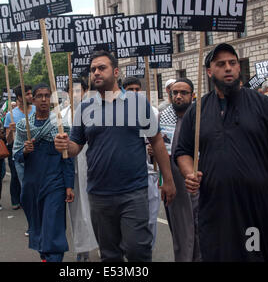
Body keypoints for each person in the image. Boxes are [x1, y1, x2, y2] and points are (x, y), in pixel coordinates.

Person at [175, 43, 268, 262]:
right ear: (209, 71)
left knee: (254, 256)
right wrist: (189, 173)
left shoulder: (264, 105)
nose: (228, 68)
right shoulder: (198, 110)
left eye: (232, 63)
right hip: (215, 212)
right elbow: (183, 150)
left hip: (256, 212)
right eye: (221, 64)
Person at [54, 50, 176, 262]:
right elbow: (76, 146)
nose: (96, 73)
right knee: (109, 256)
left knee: (138, 250)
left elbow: (156, 141)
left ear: (116, 72)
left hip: (134, 192)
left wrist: (168, 180)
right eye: (93, 70)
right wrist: (64, 145)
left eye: (102, 68)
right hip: (99, 194)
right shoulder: (84, 108)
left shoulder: (137, 103)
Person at [13, 83, 74, 262]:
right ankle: (45, 257)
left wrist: (69, 184)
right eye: (40, 96)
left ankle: (54, 258)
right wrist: (26, 150)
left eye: (48, 96)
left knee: (53, 227)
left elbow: (67, 157)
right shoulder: (24, 126)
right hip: (32, 184)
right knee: (38, 227)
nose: (44, 99)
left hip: (54, 184)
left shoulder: (60, 125)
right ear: (33, 99)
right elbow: (16, 155)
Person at [160, 78, 201, 262]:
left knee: (200, 228)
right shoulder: (162, 117)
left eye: (183, 93)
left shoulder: (201, 117)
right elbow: (156, 153)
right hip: (174, 183)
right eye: (174, 93)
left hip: (198, 181)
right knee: (181, 231)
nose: (178, 96)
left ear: (192, 96)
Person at [62, 78, 98, 262]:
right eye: (72, 91)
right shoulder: (61, 116)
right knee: (76, 211)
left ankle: (103, 244)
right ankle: (82, 249)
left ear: (85, 91)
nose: (75, 94)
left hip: (92, 169)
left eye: (79, 90)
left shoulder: (95, 113)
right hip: (72, 172)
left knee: (97, 209)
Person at [122, 76, 161, 250]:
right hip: (127, 178)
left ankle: (147, 253)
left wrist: (153, 152)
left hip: (150, 174)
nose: (135, 93)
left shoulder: (153, 112)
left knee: (151, 219)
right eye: (130, 90)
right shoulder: (115, 114)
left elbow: (161, 141)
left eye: (138, 89)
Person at [4, 85, 35, 212]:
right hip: (20, 156)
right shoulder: (10, 115)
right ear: (19, 97)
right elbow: (9, 140)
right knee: (25, 187)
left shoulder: (37, 110)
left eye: (30, 93)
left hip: (36, 153)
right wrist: (10, 131)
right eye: (27, 94)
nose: (30, 96)